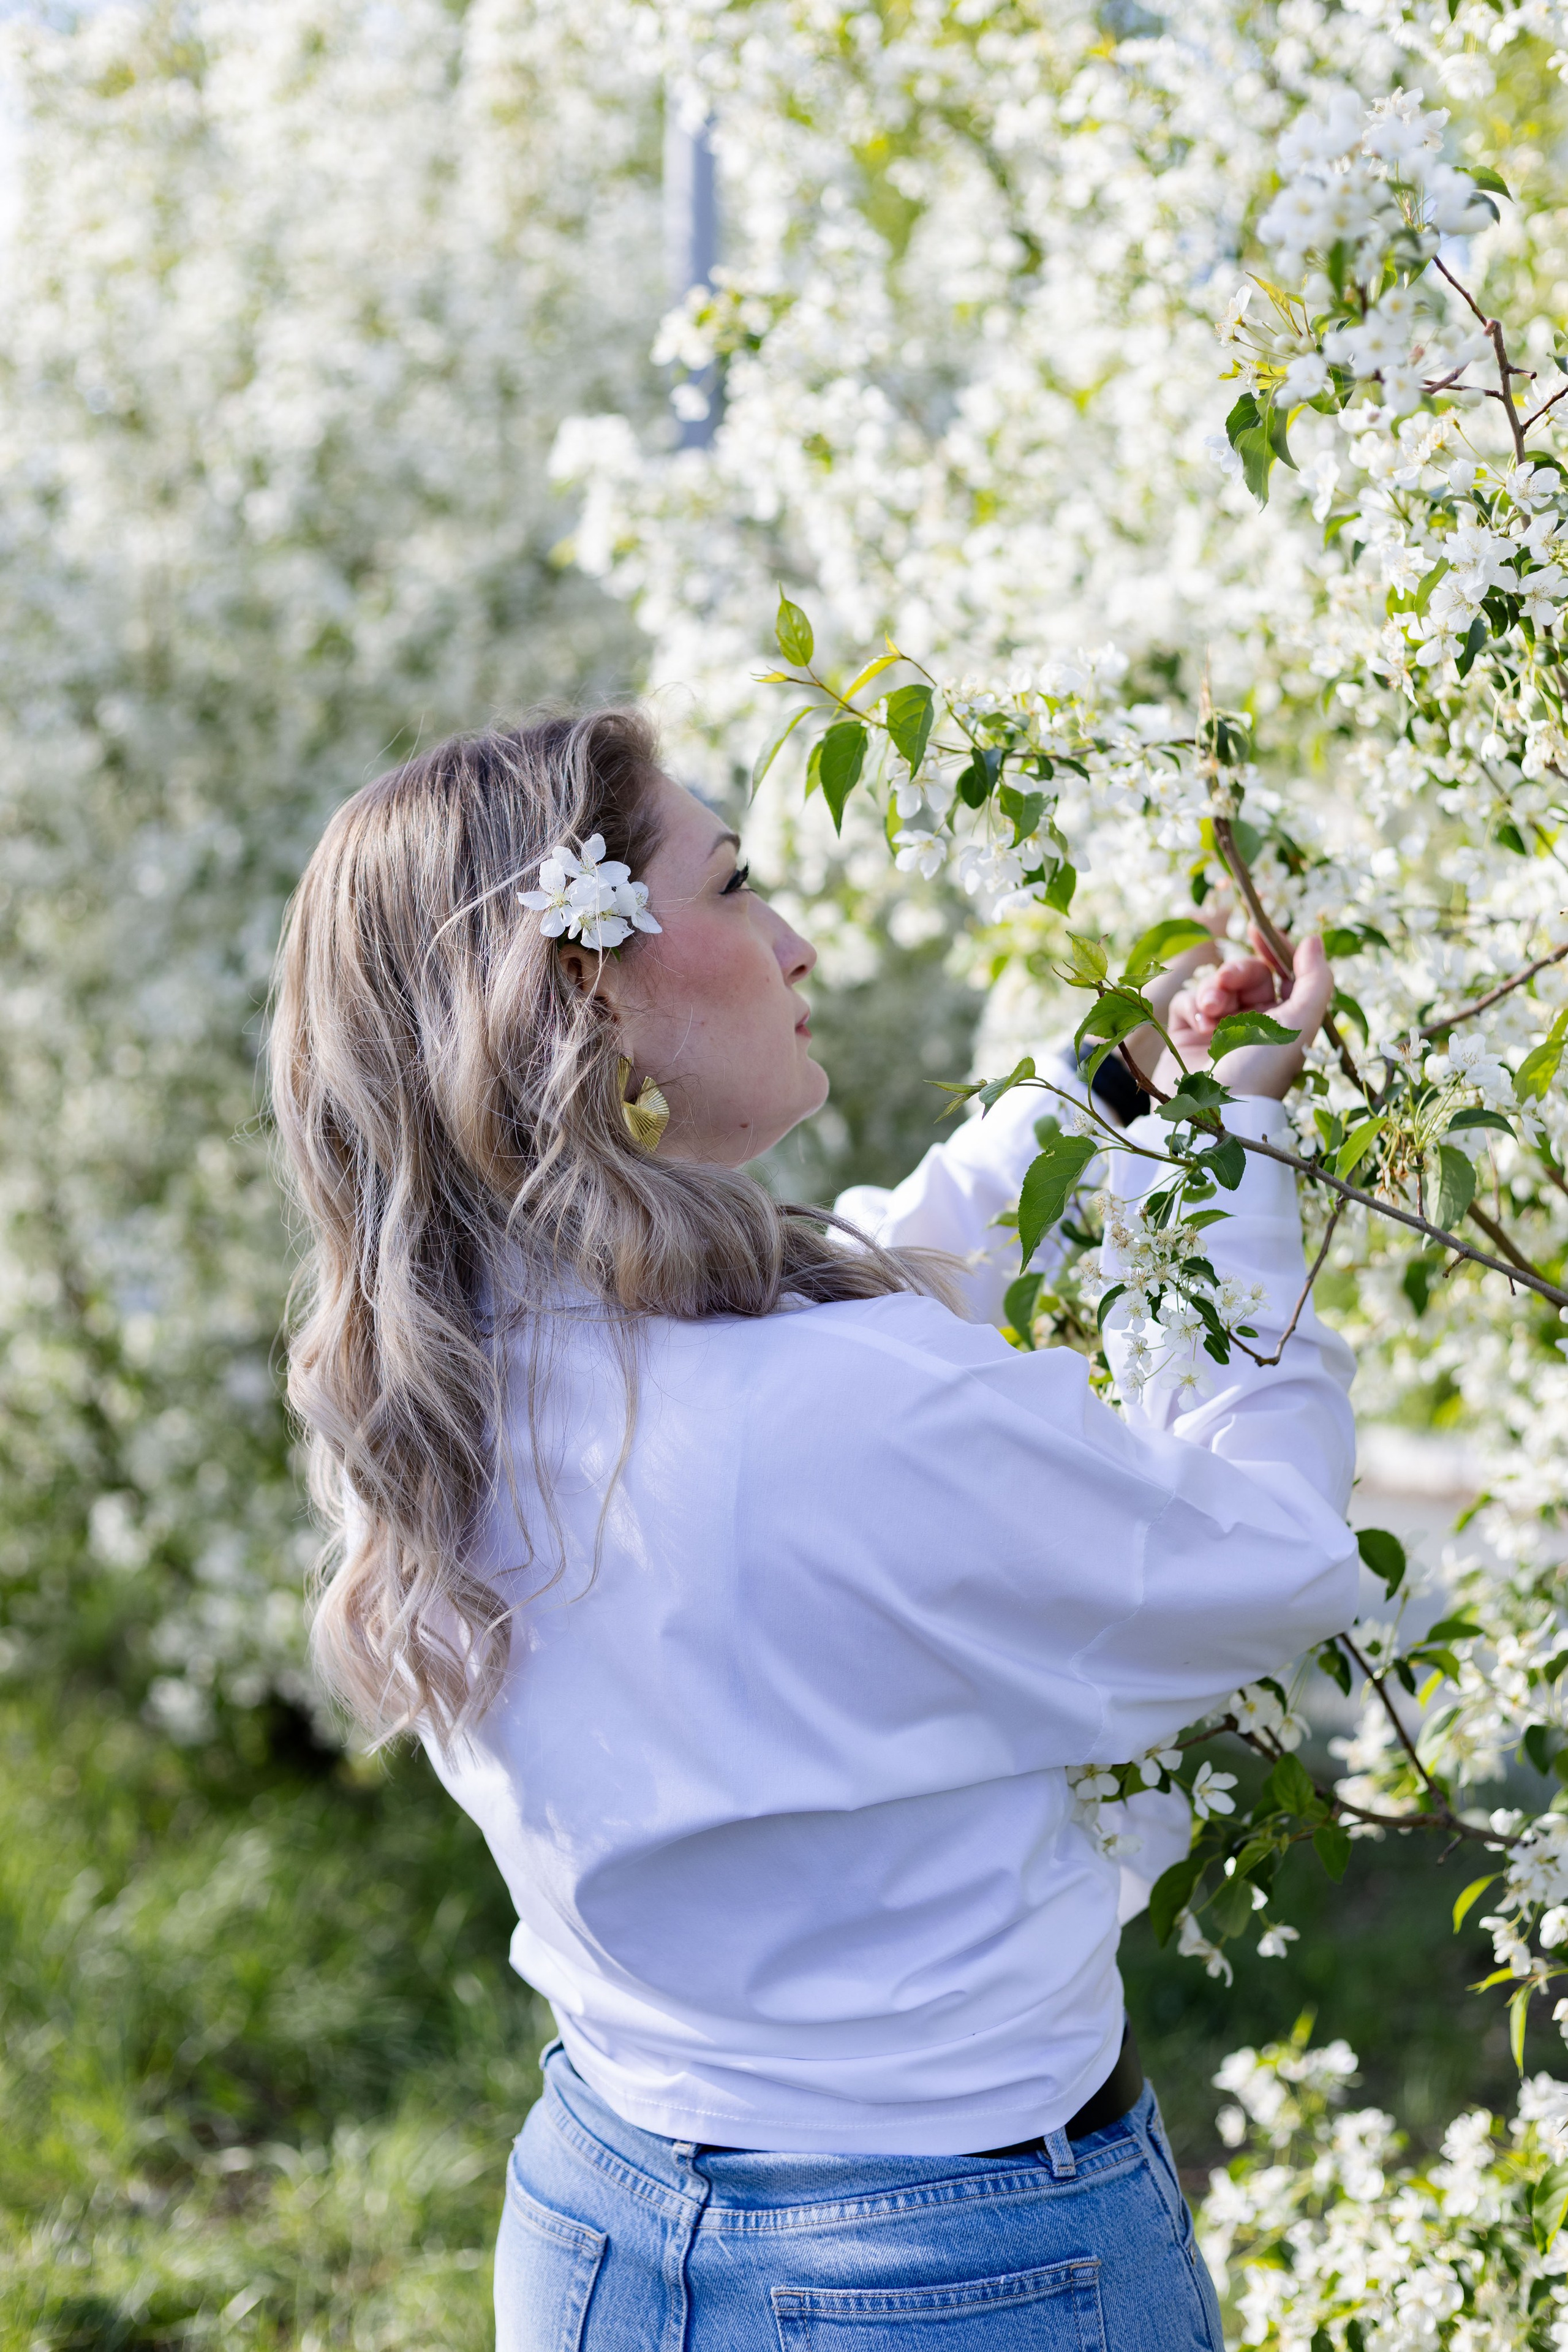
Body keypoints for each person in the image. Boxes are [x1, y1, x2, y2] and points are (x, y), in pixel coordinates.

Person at [269, 708, 1358, 2351]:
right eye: (734, 885)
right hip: (955, 2274)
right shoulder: (847, 1411)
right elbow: (1271, 1558)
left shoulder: (438, 1374)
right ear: (588, 991)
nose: (797, 942)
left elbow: (838, 1283)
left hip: (599, 2220)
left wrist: (1119, 1088)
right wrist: (1243, 1155)